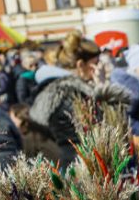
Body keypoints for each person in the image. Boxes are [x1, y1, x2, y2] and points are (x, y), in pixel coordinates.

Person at [29, 31, 101, 165]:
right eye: (95, 64)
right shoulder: (74, 93)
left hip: (60, 162)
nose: (98, 69)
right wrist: (103, 93)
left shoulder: (49, 88)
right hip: (80, 164)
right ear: (80, 65)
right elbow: (97, 131)